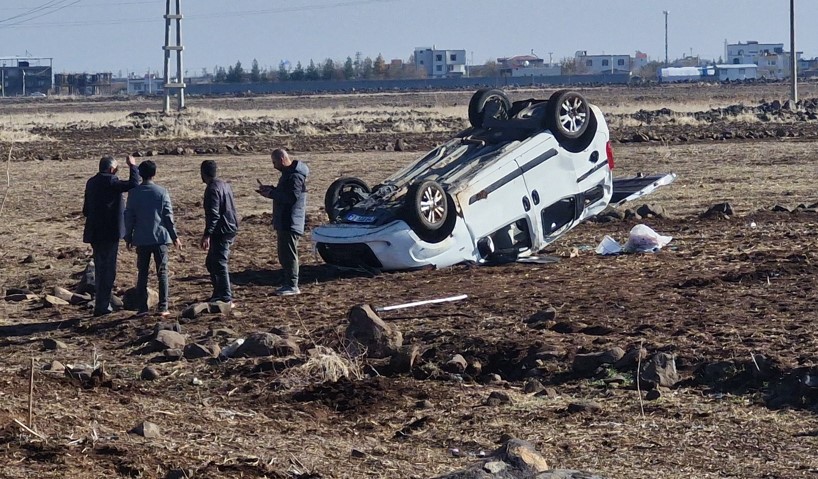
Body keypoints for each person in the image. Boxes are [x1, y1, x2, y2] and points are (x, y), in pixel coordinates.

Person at [82, 154, 139, 317]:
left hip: (94, 232)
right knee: (108, 270)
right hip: (109, 233)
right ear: (111, 169)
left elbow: (85, 210)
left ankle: (100, 303)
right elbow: (134, 184)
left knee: (100, 269)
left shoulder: (91, 182)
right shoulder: (111, 181)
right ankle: (102, 305)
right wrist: (133, 166)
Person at [124, 160, 182, 317]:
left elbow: (129, 216)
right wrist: (174, 236)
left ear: (141, 174)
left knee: (142, 273)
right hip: (160, 238)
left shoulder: (134, 193)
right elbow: (168, 217)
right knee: (162, 272)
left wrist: (128, 235)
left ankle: (142, 307)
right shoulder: (162, 192)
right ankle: (163, 307)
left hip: (141, 238)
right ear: (154, 173)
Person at [256, 148, 309, 296]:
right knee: (284, 254)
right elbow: (286, 193)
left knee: (289, 255)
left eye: (274, 162)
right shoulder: (289, 175)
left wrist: (272, 194)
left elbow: (292, 198)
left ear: (281, 159)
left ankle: (292, 285)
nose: (273, 166)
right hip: (286, 220)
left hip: (290, 221)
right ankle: (289, 283)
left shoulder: (294, 177)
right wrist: (271, 190)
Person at [199, 160, 238, 305]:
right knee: (211, 262)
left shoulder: (212, 189)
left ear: (203, 173)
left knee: (219, 262)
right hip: (230, 227)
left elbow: (213, 214)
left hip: (221, 230)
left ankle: (226, 296)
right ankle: (218, 293)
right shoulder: (224, 185)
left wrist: (207, 234)